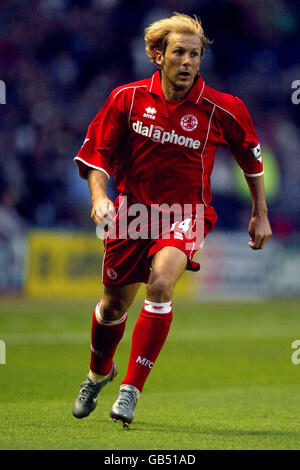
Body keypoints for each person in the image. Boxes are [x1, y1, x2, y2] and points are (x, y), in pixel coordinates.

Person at [72, 13, 272, 427]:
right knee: (111, 307)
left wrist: (260, 213)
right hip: (132, 212)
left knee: (161, 283)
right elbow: (97, 155)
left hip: (187, 214)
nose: (187, 61)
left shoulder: (223, 109)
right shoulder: (126, 99)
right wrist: (98, 196)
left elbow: (252, 161)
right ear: (156, 55)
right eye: (178, 52)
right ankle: (98, 373)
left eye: (195, 54)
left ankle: (130, 390)